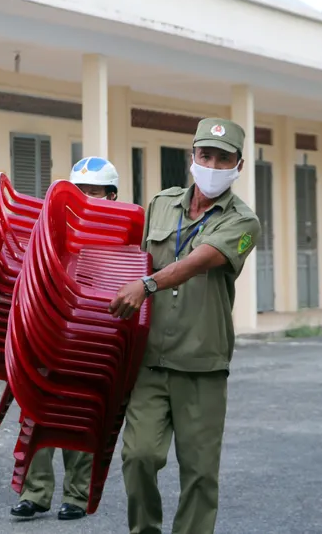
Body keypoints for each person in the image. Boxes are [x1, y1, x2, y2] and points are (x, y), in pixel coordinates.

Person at [108, 118, 261, 534]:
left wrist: (146, 285)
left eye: (222, 159)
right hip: (150, 361)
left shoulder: (244, 223)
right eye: (205, 155)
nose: (211, 165)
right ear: (192, 156)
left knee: (199, 473)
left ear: (238, 165)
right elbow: (132, 260)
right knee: (138, 456)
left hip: (201, 364)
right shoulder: (160, 205)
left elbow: (198, 261)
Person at [10, 155, 121, 522]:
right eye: (80, 191)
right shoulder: (55, 230)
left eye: (95, 191)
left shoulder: (122, 238)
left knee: (80, 413)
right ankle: (35, 493)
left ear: (112, 195)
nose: (86, 198)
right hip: (49, 329)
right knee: (35, 409)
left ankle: (76, 495)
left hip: (90, 334)